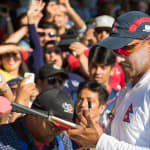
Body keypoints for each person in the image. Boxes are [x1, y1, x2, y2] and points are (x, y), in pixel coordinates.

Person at [68, 11, 150, 149]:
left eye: (126, 49)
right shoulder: (127, 89)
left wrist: (99, 142)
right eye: (116, 50)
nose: (118, 58)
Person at [0, 88, 74, 150]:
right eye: (53, 127)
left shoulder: (63, 141)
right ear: (34, 114)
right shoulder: (4, 139)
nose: (58, 133)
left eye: (63, 128)